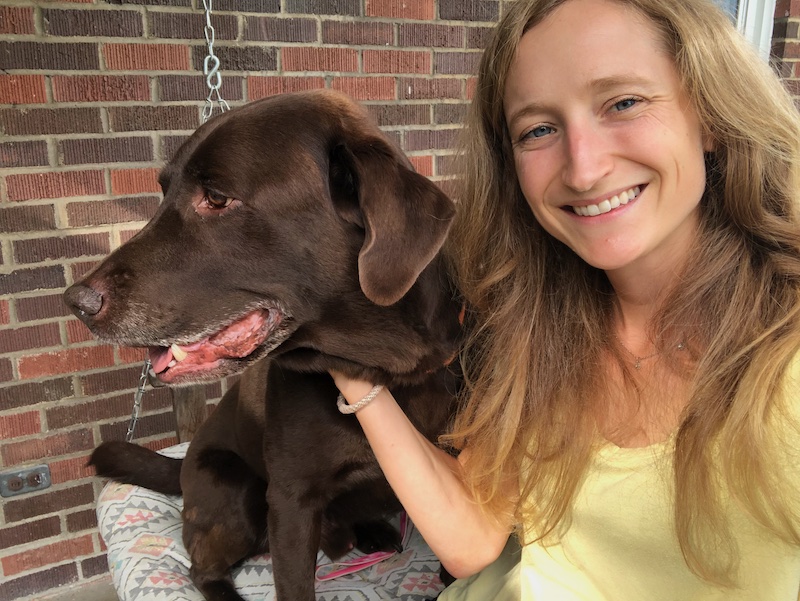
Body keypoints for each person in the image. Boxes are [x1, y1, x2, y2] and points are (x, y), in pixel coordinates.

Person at [331, 0, 800, 598]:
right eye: (539, 130)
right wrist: (348, 364)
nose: (583, 168)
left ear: (708, 113)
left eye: (624, 103)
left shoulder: (784, 349)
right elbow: (472, 538)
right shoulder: (535, 323)